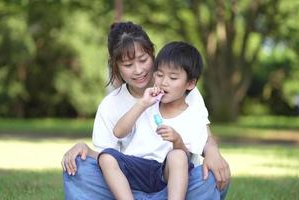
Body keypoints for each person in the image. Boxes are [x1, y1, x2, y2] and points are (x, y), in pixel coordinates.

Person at [62, 21, 230, 199]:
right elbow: (107, 158)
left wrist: (213, 153)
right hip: (128, 187)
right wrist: (85, 149)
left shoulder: (184, 91)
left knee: (210, 176)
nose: (138, 70)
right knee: (77, 168)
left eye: (143, 60)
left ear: (152, 54)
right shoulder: (111, 104)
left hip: (175, 185)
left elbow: (205, 138)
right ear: (115, 66)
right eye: (127, 65)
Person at [98, 41, 209, 200]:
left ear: (190, 83)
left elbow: (186, 156)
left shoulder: (192, 114)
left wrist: (177, 140)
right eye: (159, 74)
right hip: (136, 167)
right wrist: (142, 103)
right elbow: (118, 132)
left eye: (173, 77)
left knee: (177, 156)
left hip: (165, 173)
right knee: (106, 157)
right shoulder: (148, 102)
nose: (164, 82)